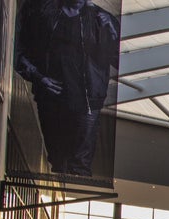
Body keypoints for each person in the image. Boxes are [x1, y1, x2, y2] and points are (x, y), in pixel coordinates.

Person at [13, 0, 120, 177]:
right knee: (57, 160)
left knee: (81, 165)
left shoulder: (101, 19)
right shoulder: (40, 12)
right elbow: (19, 49)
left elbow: (119, 60)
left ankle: (76, 193)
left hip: (87, 102)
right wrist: (39, 78)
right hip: (52, 98)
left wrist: (112, 34)